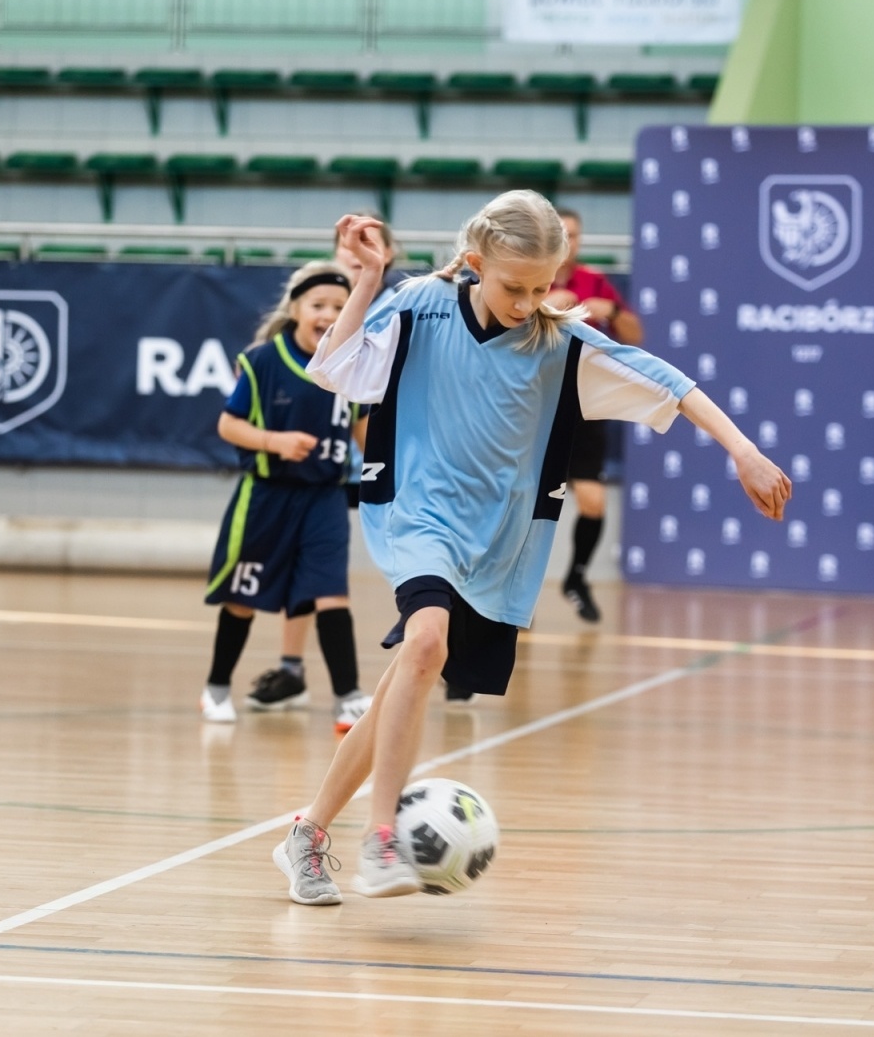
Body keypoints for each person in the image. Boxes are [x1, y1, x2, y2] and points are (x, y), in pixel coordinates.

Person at [271, 194, 791, 905]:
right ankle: (383, 837)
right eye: (515, 287)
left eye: (542, 286)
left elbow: (669, 382)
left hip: (497, 540)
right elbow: (336, 371)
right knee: (426, 645)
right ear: (476, 263)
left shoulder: (561, 344)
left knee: (404, 680)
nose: (528, 301)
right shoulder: (421, 304)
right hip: (416, 515)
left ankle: (308, 832)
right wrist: (367, 280)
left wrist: (745, 452)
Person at [247, 214, 412, 711]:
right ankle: (294, 667)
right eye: (349, 241)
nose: (356, 248)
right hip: (328, 460)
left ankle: (438, 649)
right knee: (310, 565)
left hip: (393, 442)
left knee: (412, 553)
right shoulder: (321, 303)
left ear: (386, 253)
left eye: (369, 240)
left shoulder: (402, 303)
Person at [201, 261, 373, 735]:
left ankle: (348, 696)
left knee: (332, 593)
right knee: (242, 596)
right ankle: (216, 687)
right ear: (295, 308)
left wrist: (392, 473)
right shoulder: (263, 361)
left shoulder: (350, 366)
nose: (328, 313)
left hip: (324, 497)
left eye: (339, 307)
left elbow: (365, 434)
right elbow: (227, 424)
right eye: (318, 305)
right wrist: (275, 442)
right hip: (267, 496)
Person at [546, 206, 643, 623]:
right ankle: (514, 591)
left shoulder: (594, 281)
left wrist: (615, 313)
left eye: (576, 235)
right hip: (538, 406)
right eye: (562, 234)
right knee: (529, 505)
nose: (570, 242)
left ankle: (577, 577)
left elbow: (636, 334)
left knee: (593, 500)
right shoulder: (530, 278)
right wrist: (546, 305)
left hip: (585, 405)